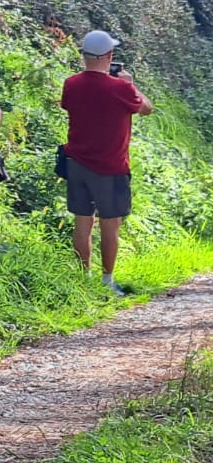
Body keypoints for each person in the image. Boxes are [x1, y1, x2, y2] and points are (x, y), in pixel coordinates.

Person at [60, 29, 154, 295]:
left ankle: (84, 277)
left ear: (84, 55)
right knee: (110, 224)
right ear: (109, 55)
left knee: (82, 220)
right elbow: (147, 109)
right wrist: (131, 83)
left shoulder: (72, 83)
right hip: (111, 165)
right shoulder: (122, 88)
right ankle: (107, 280)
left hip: (77, 162)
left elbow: (69, 106)